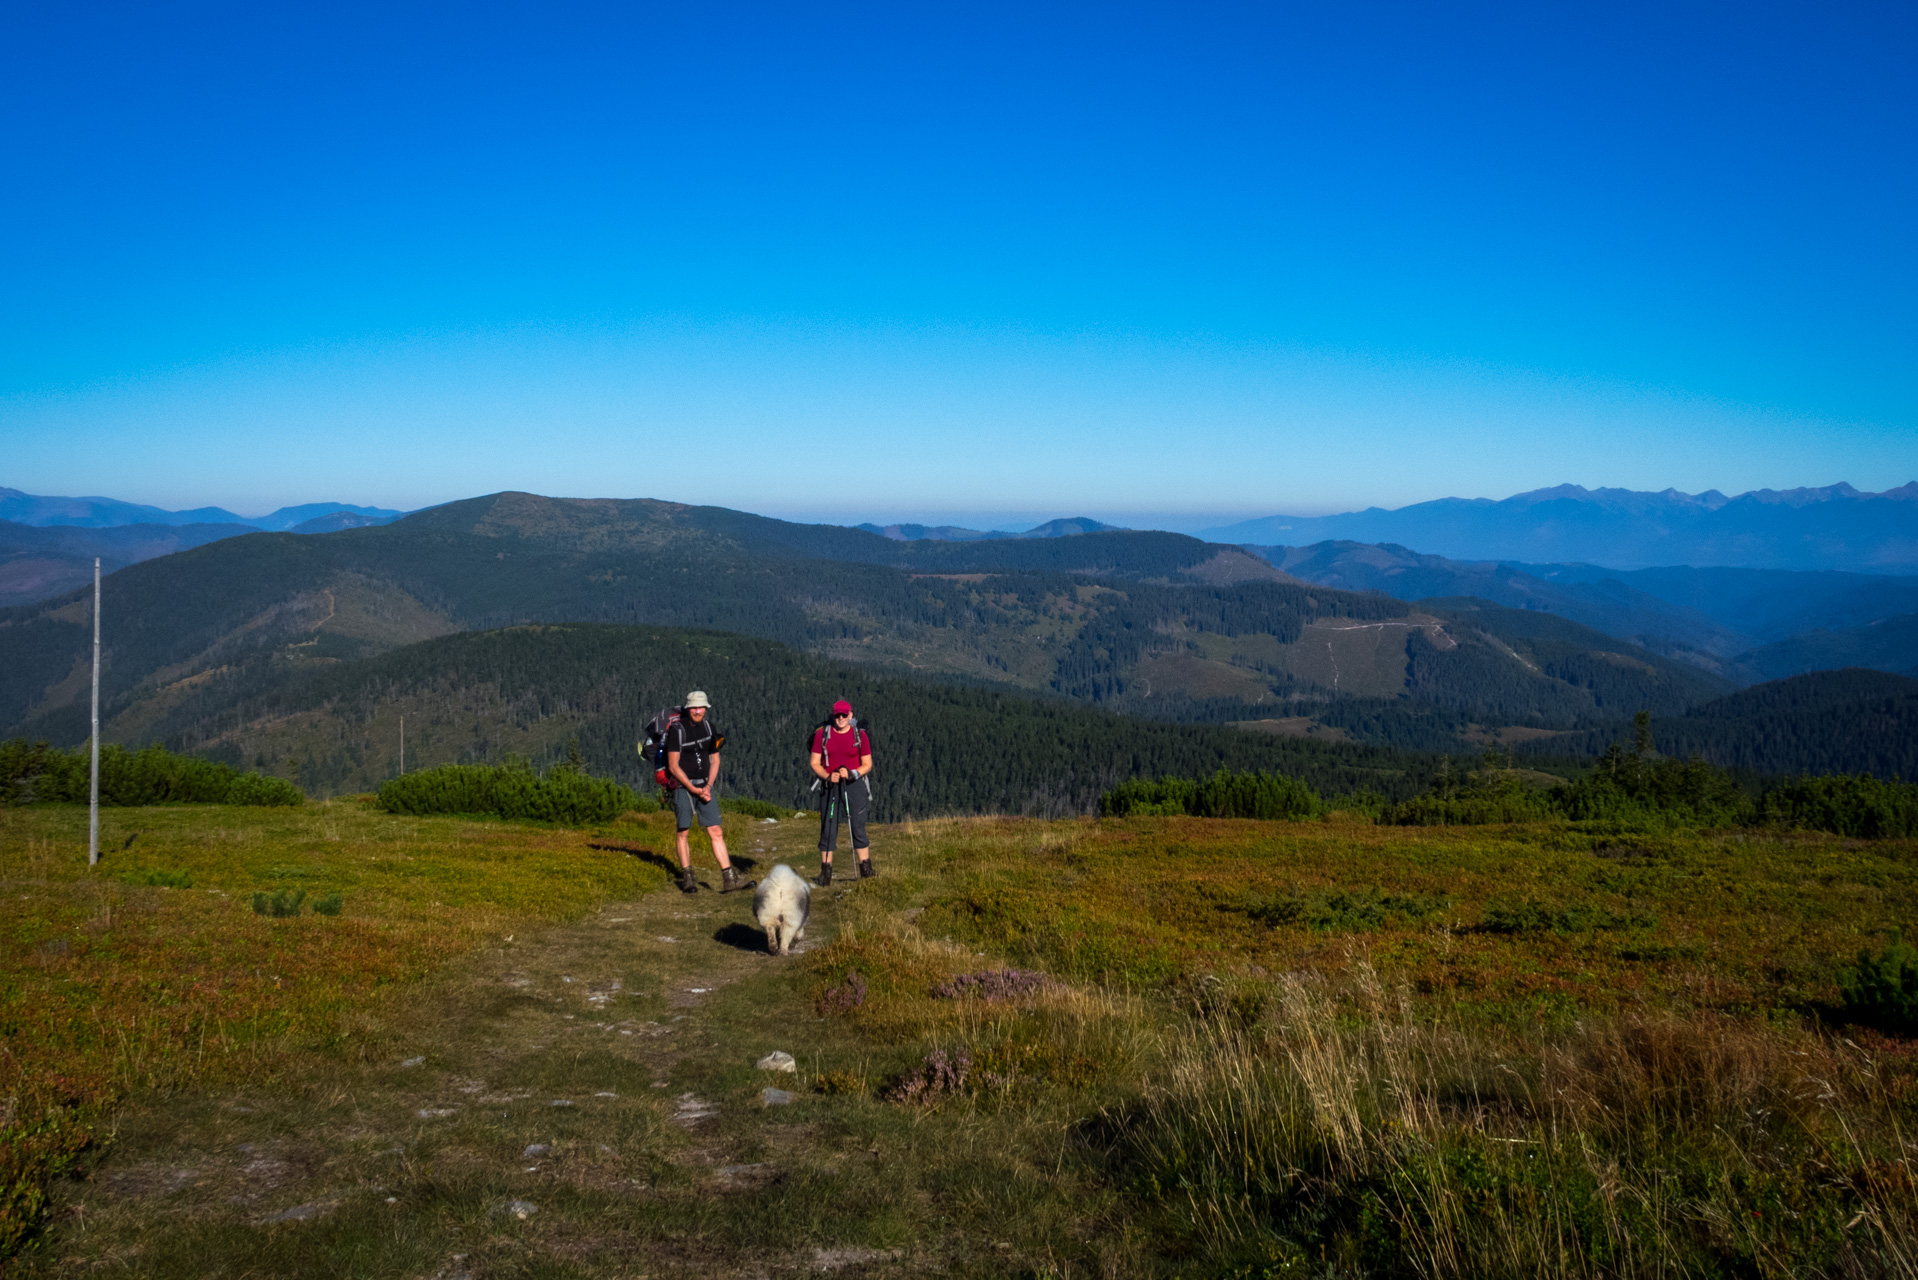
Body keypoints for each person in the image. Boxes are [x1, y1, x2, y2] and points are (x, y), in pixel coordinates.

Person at [664, 691, 750, 895]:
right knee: (683, 831)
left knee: (716, 831)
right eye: (694, 707)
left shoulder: (710, 728)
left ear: (706, 708)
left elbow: (715, 759)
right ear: (688, 709)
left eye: (701, 707)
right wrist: (693, 788)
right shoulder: (677, 730)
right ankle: (688, 878)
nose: (697, 711)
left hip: (705, 787)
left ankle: (729, 879)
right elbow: (673, 766)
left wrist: (708, 786)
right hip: (683, 788)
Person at [809, 699, 874, 885]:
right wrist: (828, 776)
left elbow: (867, 764)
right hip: (830, 786)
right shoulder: (823, 735)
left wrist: (853, 773)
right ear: (833, 716)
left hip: (854, 785)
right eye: (838, 715)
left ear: (850, 715)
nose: (841, 718)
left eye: (844, 715)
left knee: (858, 827)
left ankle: (866, 870)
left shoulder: (859, 735)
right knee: (828, 828)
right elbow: (815, 762)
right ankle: (826, 874)